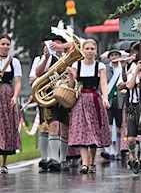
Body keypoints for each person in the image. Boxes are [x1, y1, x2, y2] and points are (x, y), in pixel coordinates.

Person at [66, 39, 111, 174]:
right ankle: (85, 164)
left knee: (93, 132)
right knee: (83, 131)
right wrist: (70, 75)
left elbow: (103, 84)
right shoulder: (76, 64)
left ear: (95, 51)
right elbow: (72, 85)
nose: (89, 51)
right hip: (80, 100)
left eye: (92, 49)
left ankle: (91, 162)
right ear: (83, 50)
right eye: (87, 49)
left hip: (94, 100)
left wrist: (105, 98)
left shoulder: (100, 66)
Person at [35, 34, 71, 171]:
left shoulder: (68, 59)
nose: (56, 47)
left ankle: (62, 159)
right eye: (53, 45)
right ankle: (52, 159)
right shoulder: (43, 58)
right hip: (49, 97)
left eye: (59, 44)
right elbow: (37, 74)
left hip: (65, 96)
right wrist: (46, 58)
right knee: (53, 125)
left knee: (65, 128)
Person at [0, 35, 22, 174]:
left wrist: (15, 96)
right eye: (3, 44)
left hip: (7, 94)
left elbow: (18, 82)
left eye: (8, 44)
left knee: (6, 126)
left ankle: (4, 163)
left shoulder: (14, 62)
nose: (5, 46)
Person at [101, 48, 126, 160]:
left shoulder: (123, 69)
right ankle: (109, 150)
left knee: (119, 126)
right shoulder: (105, 68)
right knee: (109, 125)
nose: (114, 57)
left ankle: (119, 151)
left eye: (116, 55)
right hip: (109, 99)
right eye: (112, 55)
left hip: (120, 99)